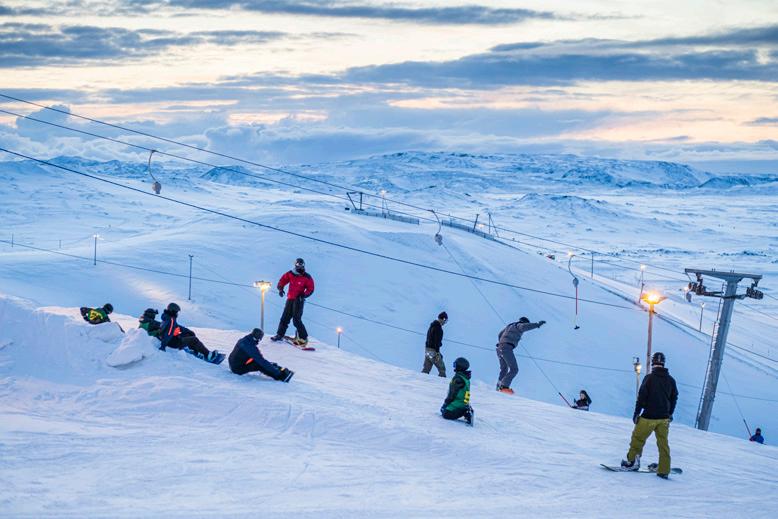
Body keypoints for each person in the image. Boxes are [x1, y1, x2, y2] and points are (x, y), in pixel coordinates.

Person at [621, 351, 679, 479]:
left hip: (649, 417)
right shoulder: (671, 380)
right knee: (663, 444)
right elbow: (674, 398)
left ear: (652, 362)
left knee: (638, 439)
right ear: (664, 363)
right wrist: (670, 414)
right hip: (664, 419)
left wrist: (637, 413)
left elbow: (641, 397)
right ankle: (664, 469)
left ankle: (632, 462)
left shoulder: (649, 378)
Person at [270, 258, 315, 346]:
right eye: (298, 265)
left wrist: (303, 295)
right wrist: (280, 288)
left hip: (299, 300)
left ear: (304, 265)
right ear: (295, 265)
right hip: (290, 299)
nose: (300, 267)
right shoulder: (291, 274)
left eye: (301, 265)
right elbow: (283, 280)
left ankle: (303, 338)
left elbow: (311, 288)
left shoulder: (307, 277)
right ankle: (279, 335)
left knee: (296, 320)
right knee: (285, 318)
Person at [495, 316, 546, 394]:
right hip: (506, 348)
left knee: (504, 369)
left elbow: (500, 334)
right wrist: (537, 324)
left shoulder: (509, 326)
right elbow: (524, 327)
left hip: (499, 348)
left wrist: (501, 342)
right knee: (514, 369)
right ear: (524, 322)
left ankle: (498, 386)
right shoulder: (519, 325)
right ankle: (504, 387)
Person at [228, 328, 294, 382]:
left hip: (233, 364)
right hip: (237, 369)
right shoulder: (250, 347)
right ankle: (281, 376)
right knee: (259, 364)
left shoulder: (244, 340)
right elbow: (261, 361)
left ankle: (276, 369)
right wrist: (277, 373)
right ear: (258, 338)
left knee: (259, 362)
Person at [440, 357, 473, 425]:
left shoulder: (458, 378)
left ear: (459, 366)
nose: (454, 367)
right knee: (444, 411)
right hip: (463, 403)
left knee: (446, 414)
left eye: (455, 365)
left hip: (458, 403)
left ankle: (465, 412)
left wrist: (446, 403)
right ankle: (465, 409)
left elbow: (452, 393)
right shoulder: (465, 378)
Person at [422, 311, 448, 377]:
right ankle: (442, 382)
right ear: (443, 319)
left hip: (427, 350)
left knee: (426, 369)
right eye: (445, 321)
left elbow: (430, 339)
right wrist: (437, 352)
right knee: (442, 368)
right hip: (433, 351)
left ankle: (420, 380)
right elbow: (436, 341)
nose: (445, 323)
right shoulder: (438, 328)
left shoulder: (432, 326)